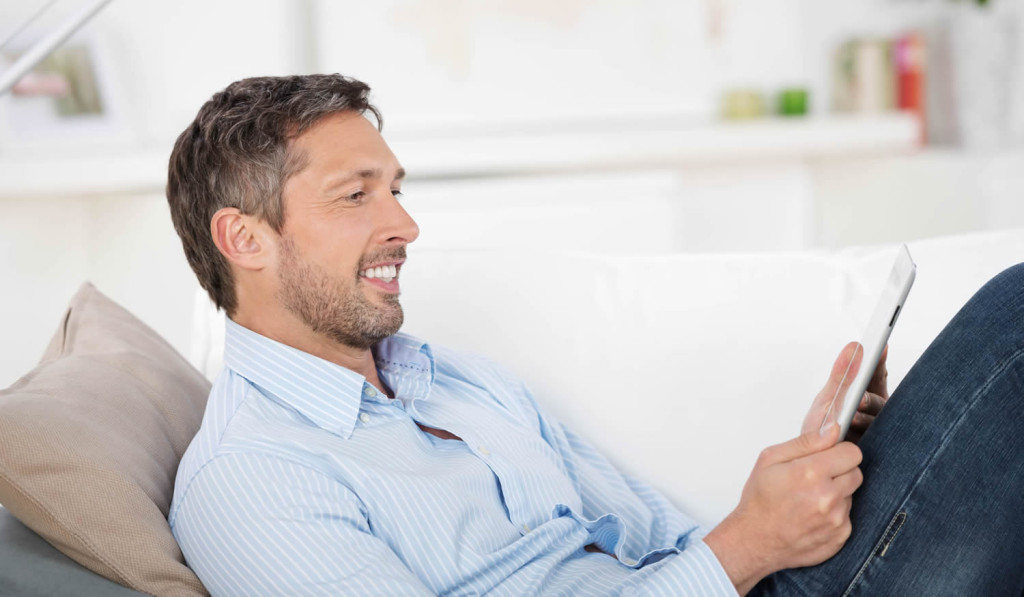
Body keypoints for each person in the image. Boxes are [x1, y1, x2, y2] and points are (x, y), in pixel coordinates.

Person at [166, 74, 1024, 596]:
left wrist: (810, 495)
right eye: (357, 196)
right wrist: (746, 547)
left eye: (396, 188)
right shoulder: (251, 478)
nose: (406, 224)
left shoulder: (452, 378)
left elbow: (670, 544)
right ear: (245, 239)